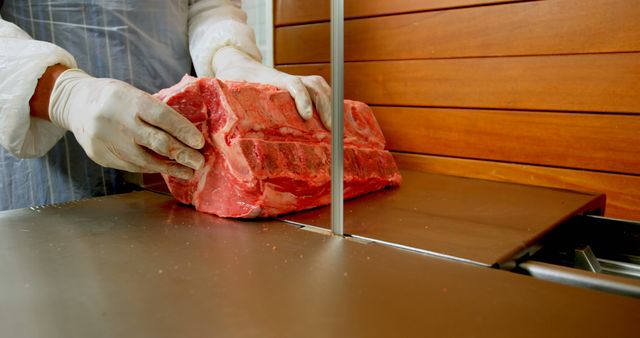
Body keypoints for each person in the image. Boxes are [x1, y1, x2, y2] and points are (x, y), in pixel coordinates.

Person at [0, 0, 332, 211]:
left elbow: (209, 5)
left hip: (181, 164)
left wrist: (229, 55)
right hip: (50, 165)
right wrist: (64, 96)